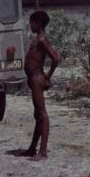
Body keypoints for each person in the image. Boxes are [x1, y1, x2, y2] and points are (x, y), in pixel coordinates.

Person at [19, 11, 61, 160]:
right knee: (37, 115)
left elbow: (56, 58)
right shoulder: (38, 39)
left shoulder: (42, 39)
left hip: (37, 78)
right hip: (34, 78)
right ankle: (32, 148)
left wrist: (47, 78)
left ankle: (43, 152)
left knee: (42, 114)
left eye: (32, 22)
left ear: (38, 23)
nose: (30, 25)